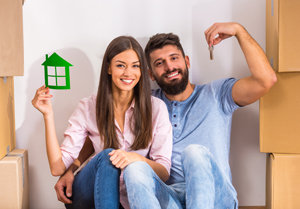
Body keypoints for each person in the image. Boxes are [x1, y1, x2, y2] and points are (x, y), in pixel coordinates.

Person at [55, 22, 277, 208]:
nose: (169, 67)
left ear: (187, 61)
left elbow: (265, 81)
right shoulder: (147, 103)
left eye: (174, 58)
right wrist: (72, 168)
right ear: (150, 73)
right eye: (159, 63)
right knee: (135, 169)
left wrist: (238, 30)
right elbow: (98, 131)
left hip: (213, 197)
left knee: (194, 153)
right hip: (167, 197)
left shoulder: (216, 94)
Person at [32, 36, 173, 209]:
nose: (129, 73)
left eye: (135, 66)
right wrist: (48, 115)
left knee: (113, 157)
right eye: (121, 65)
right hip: (92, 192)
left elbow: (164, 172)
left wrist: (136, 159)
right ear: (108, 68)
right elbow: (57, 168)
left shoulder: (156, 109)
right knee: (108, 156)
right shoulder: (88, 107)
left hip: (132, 196)